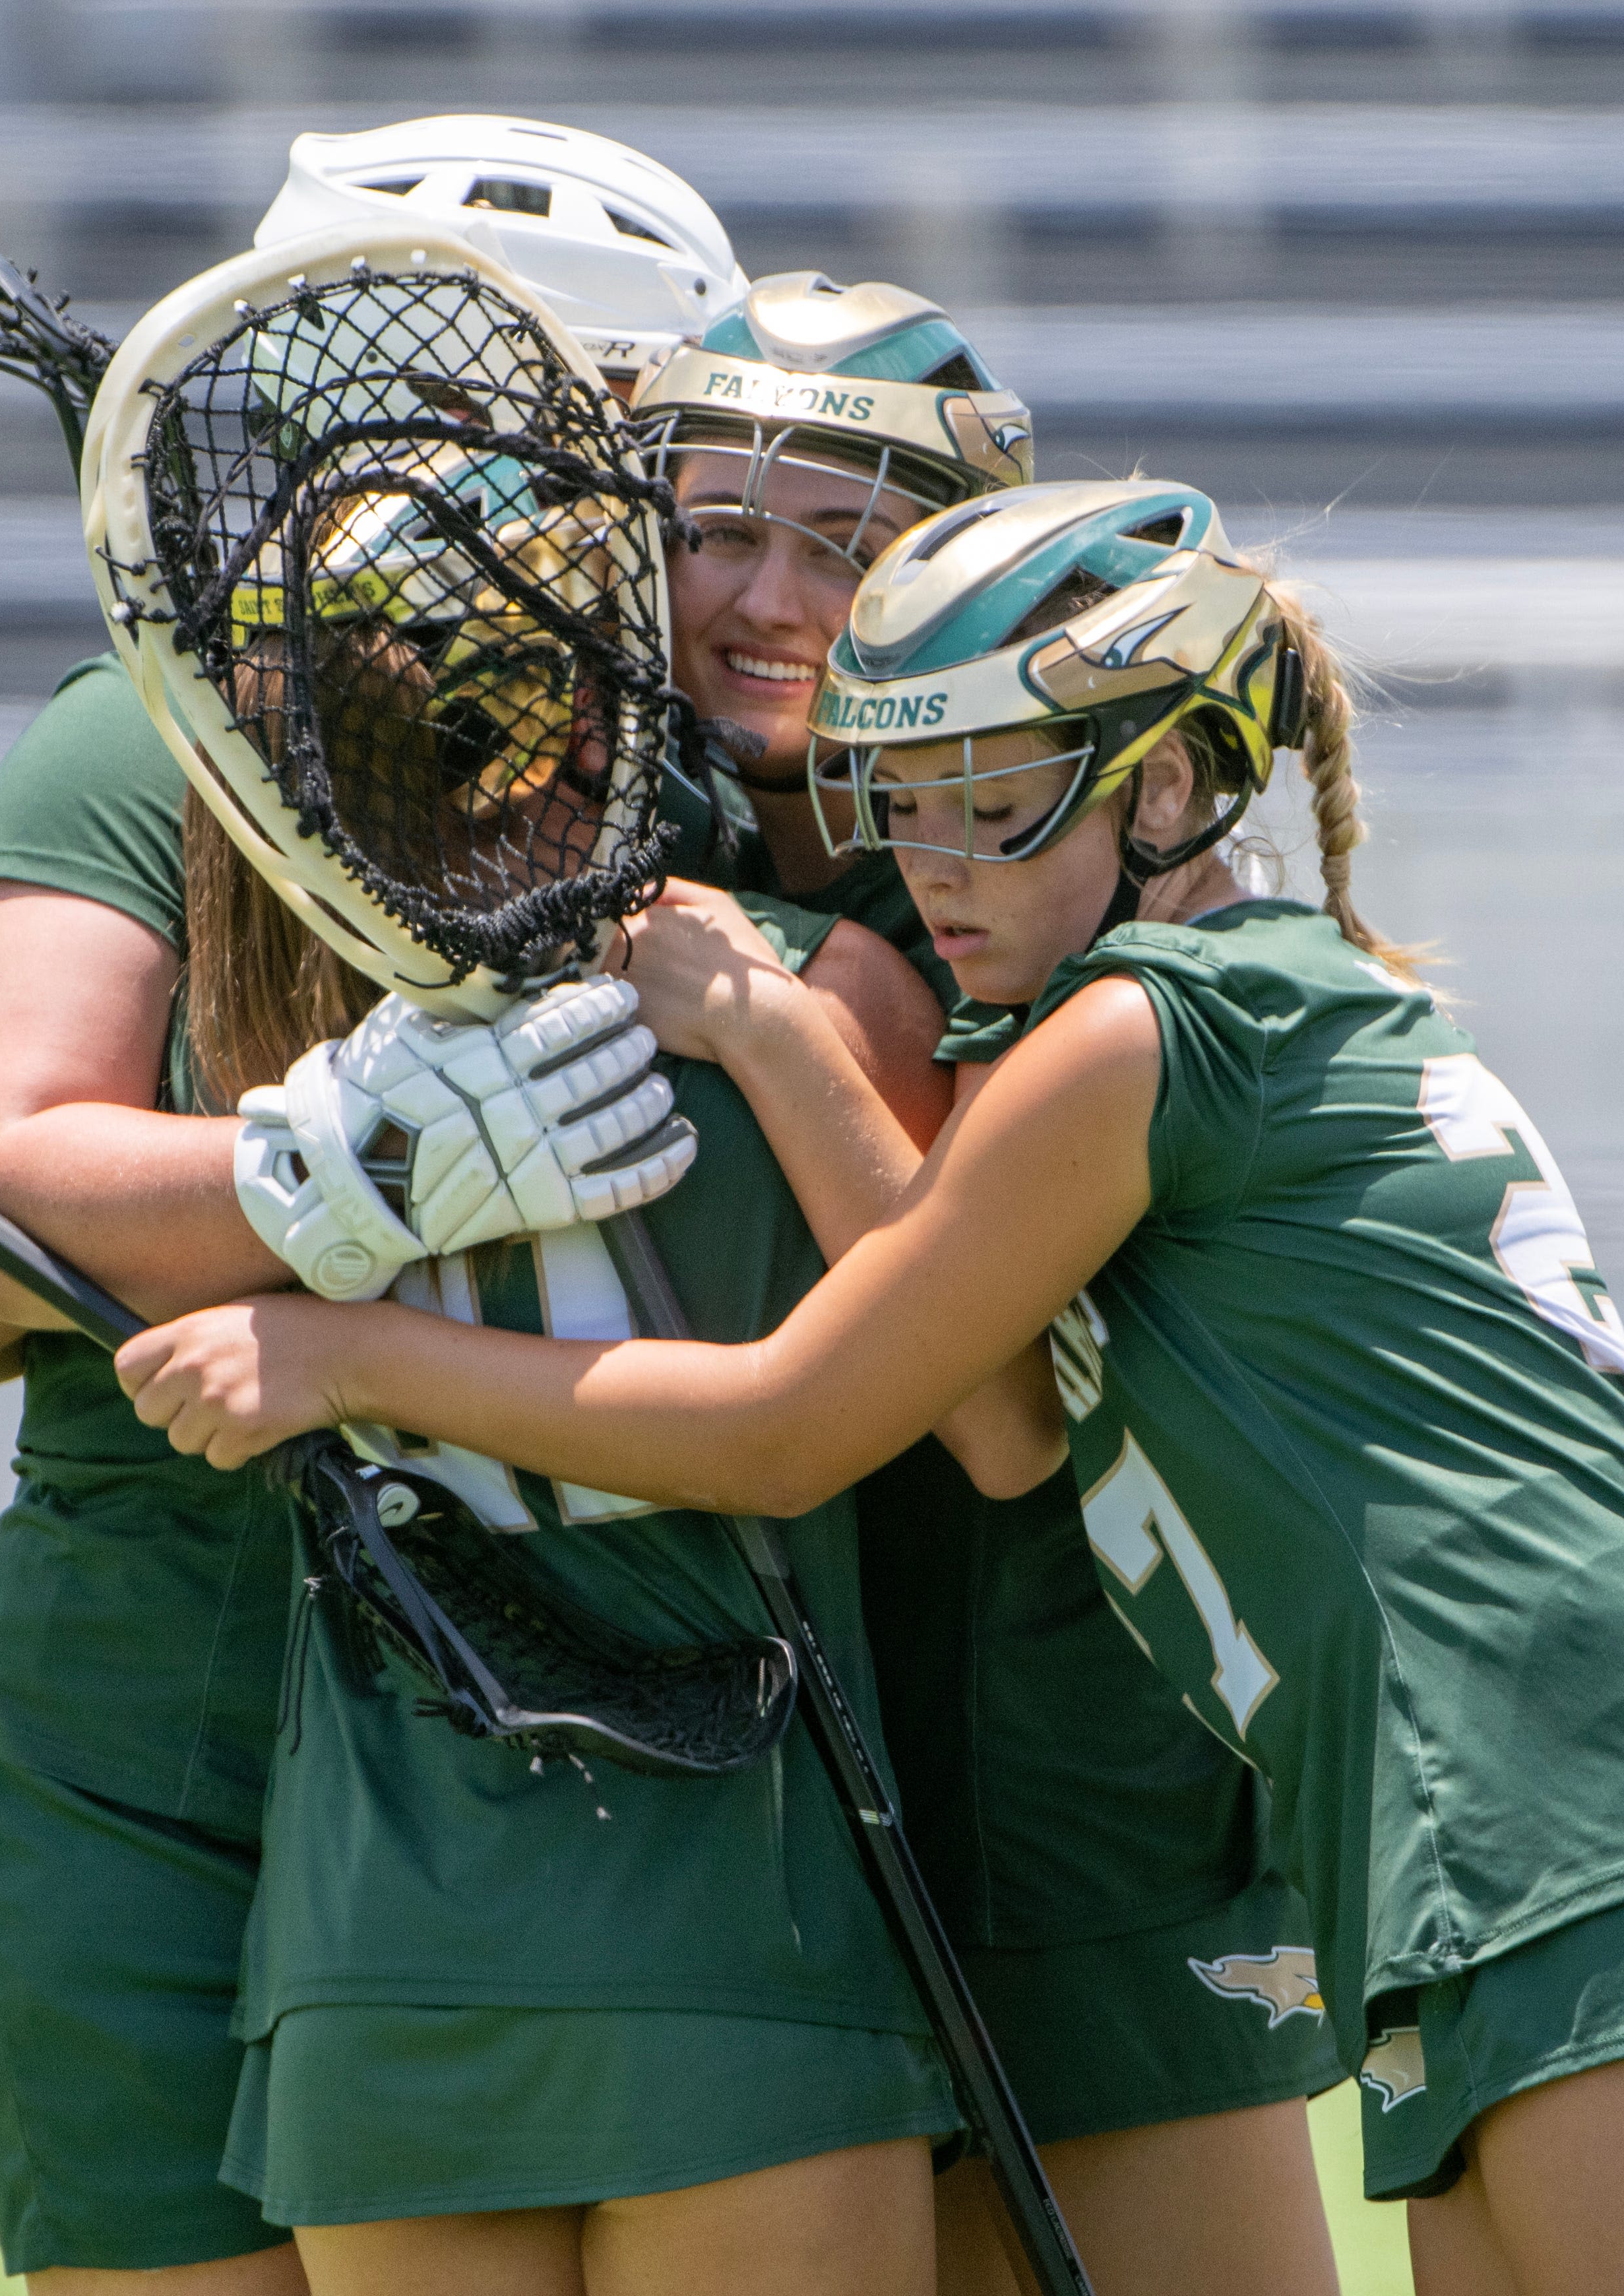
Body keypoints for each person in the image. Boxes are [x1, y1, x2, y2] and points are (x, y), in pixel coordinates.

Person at [119, 478, 1624, 2296]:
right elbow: (997, 1420)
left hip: (1584, 1797)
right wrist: (778, 1035)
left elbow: (786, 1427)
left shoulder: (1138, 1030)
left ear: (1168, 785)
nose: (934, 867)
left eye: (995, 803)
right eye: (898, 804)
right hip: (1473, 1826)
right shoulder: (1199, 1007)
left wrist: (340, 1351)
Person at [0, 126, 753, 2291]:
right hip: (159, 1736)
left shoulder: (708, 779)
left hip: (588, 1738)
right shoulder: (134, 747)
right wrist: (346, 1171)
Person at [639, 282, 1342, 2296]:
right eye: (715, 527)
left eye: (842, 542)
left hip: (1078, 1773)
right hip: (789, 1818)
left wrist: (775, 1032)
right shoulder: (620, 856)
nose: (766, 598)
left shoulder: (1033, 898)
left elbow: (994, 1397)